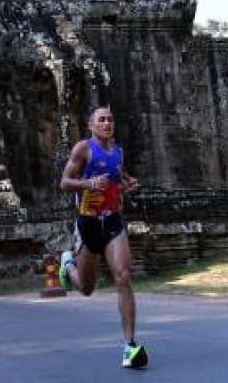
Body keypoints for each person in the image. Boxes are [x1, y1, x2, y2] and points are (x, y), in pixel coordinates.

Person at [59, 105, 147, 369]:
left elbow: (117, 180)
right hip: (87, 223)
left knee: (123, 275)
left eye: (110, 119)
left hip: (111, 220)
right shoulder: (83, 149)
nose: (107, 123)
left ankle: (130, 346)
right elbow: (64, 182)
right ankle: (67, 265)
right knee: (86, 288)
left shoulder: (117, 152)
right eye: (102, 120)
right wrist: (87, 184)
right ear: (91, 125)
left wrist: (126, 185)